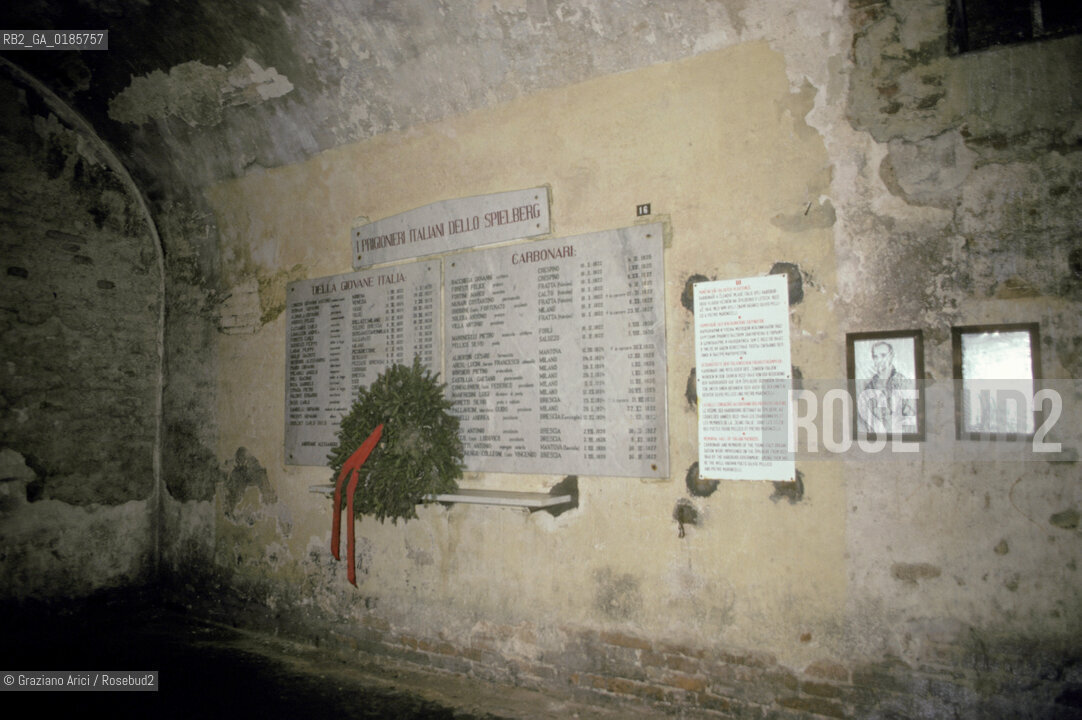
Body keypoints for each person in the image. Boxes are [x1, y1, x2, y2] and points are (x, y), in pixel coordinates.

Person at [857, 341, 916, 435]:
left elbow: (912, 417)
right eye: (875, 356)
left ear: (891, 356)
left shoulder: (903, 382)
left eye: (883, 355)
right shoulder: (869, 386)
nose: (879, 360)